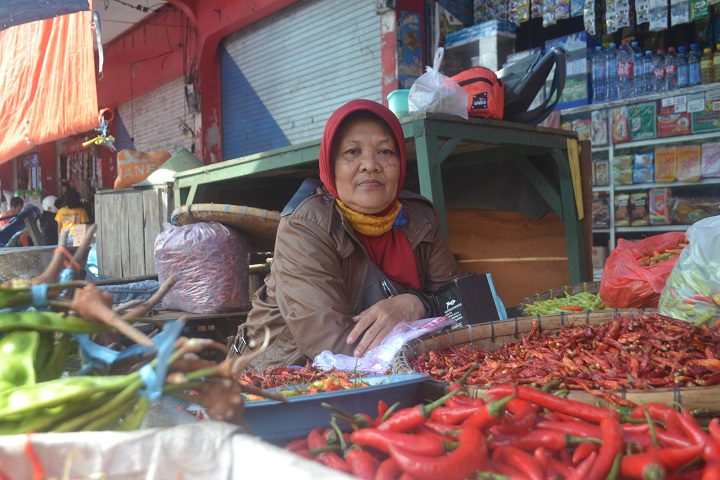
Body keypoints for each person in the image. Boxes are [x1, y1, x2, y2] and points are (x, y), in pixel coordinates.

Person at [231, 99, 462, 372]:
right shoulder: (305, 228)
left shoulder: (419, 218)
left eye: (385, 151)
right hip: (280, 376)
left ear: (401, 162)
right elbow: (336, 345)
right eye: (352, 151)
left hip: (388, 367)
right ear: (331, 166)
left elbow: (464, 303)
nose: (370, 164)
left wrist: (416, 304)